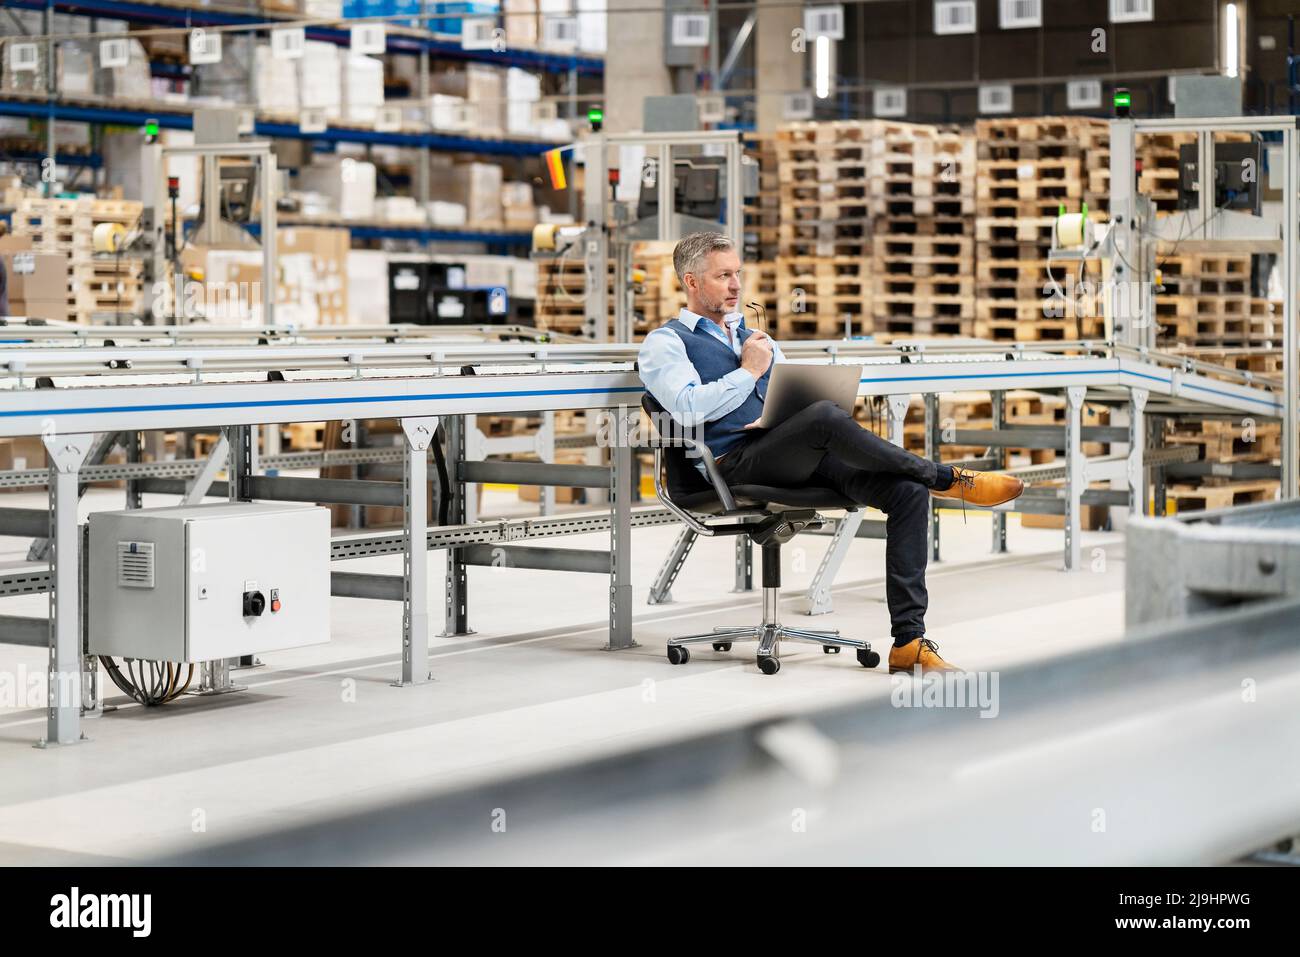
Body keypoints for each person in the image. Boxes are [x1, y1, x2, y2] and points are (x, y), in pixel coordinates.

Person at [638, 231, 1024, 674]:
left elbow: (790, 399)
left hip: (789, 452)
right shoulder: (665, 343)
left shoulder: (757, 339)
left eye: (738, 274)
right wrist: (749, 372)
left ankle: (909, 643)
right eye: (723, 276)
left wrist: (781, 387)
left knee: (905, 492)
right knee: (824, 418)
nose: (736, 286)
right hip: (732, 464)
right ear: (691, 282)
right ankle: (946, 478)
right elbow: (686, 408)